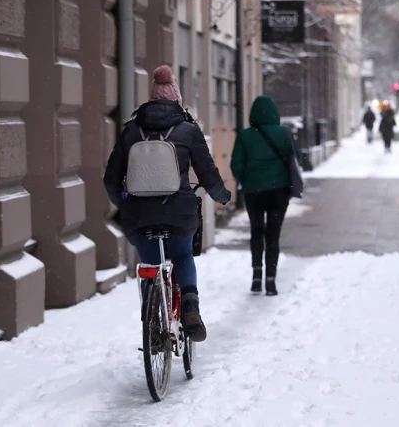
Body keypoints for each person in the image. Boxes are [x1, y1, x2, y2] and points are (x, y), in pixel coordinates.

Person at [104, 65, 231, 342]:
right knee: (183, 255)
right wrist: (222, 196)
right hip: (179, 212)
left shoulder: (131, 131)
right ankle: (189, 306)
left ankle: (152, 322)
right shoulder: (188, 130)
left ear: (151, 99)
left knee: (150, 263)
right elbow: (208, 173)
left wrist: (123, 203)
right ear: (177, 100)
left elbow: (110, 179)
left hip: (139, 213)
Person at [230, 95, 299, 296]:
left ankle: (256, 275)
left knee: (256, 231)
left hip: (253, 192)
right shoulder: (284, 133)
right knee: (273, 235)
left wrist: (247, 179)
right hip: (279, 192)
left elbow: (236, 165)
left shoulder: (245, 136)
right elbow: (294, 160)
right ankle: (271, 279)